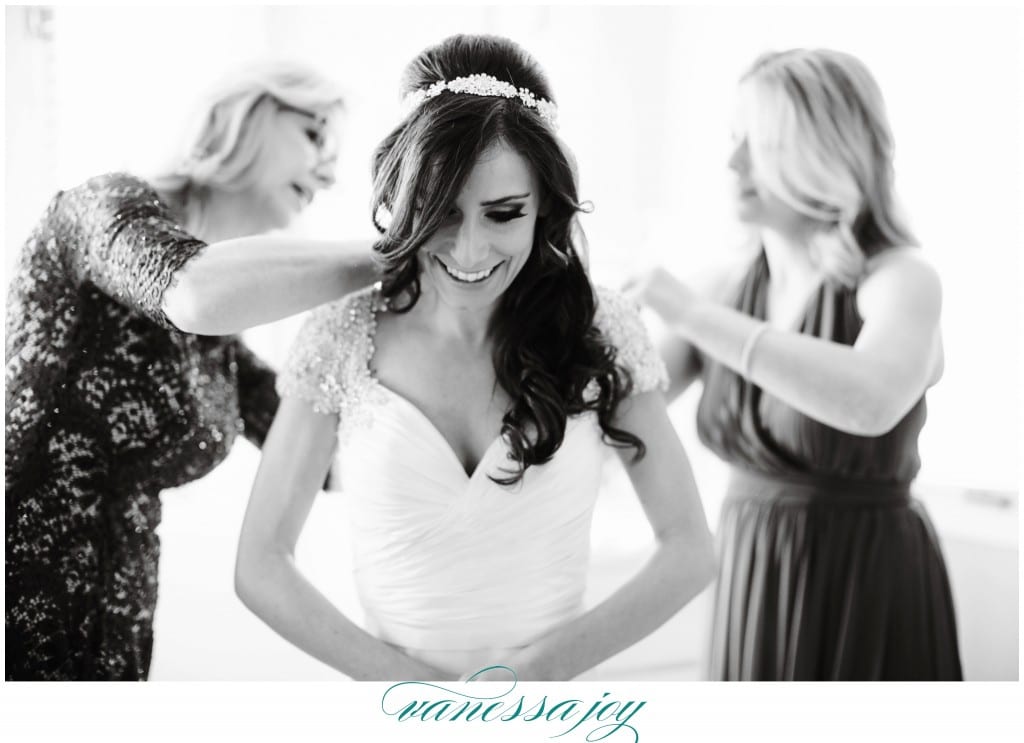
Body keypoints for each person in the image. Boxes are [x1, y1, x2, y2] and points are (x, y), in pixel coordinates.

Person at [234, 34, 716, 682]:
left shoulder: (600, 328)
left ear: (543, 205)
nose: (468, 251)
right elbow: (261, 563)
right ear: (405, 204)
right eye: (441, 212)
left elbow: (689, 550)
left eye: (502, 213)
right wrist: (412, 691)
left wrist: (532, 677)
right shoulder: (344, 331)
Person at [5, 60, 377, 680]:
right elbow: (193, 291)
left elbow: (331, 456)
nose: (330, 171)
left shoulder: (217, 348)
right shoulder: (101, 208)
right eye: (313, 135)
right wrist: (396, 254)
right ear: (243, 120)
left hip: (115, 634)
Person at [626, 48, 962, 680]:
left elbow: (873, 398)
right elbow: (614, 407)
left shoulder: (900, 280)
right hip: (749, 574)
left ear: (827, 151)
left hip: (865, 580)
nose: (732, 163)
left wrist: (693, 315)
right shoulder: (723, 286)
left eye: (762, 143)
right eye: (733, 139)